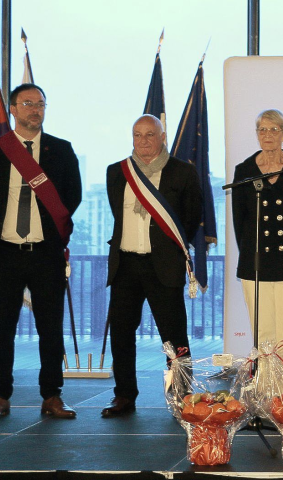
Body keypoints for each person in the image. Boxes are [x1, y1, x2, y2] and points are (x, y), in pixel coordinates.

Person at [0, 83, 82, 420]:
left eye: (40, 103)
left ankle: (52, 396)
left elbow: (72, 197)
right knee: (0, 329)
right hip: (4, 254)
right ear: (12, 109)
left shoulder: (61, 149)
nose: (35, 109)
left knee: (50, 329)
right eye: (27, 103)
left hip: (45, 253)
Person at [100, 115, 203, 418]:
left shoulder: (183, 172)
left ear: (162, 137)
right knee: (120, 333)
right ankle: (124, 396)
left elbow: (190, 217)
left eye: (149, 135)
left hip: (163, 265)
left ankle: (181, 396)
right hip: (126, 264)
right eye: (137, 135)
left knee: (174, 336)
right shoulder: (116, 172)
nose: (143, 141)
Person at [232, 109, 283, 362]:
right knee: (263, 334)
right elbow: (240, 221)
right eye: (262, 130)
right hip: (255, 262)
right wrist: (250, 251)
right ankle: (266, 394)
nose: (268, 135)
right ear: (257, 135)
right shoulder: (244, 170)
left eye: (274, 129)